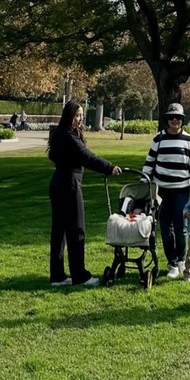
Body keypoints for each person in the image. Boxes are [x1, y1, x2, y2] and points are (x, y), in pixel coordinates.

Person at [48, 100, 122, 287]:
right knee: (76, 230)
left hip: (58, 183)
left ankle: (57, 276)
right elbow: (87, 157)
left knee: (59, 231)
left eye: (81, 115)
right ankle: (80, 276)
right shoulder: (69, 137)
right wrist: (109, 167)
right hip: (69, 185)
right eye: (77, 115)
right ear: (69, 116)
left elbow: (53, 156)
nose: (80, 119)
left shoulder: (59, 134)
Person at [142, 102, 190, 279]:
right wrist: (143, 180)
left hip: (181, 191)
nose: (175, 120)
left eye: (178, 118)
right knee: (166, 228)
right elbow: (149, 162)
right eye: (171, 117)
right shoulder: (158, 139)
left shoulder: (189, 140)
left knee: (181, 228)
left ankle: (181, 259)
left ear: (182, 120)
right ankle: (172, 263)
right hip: (162, 192)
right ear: (167, 119)